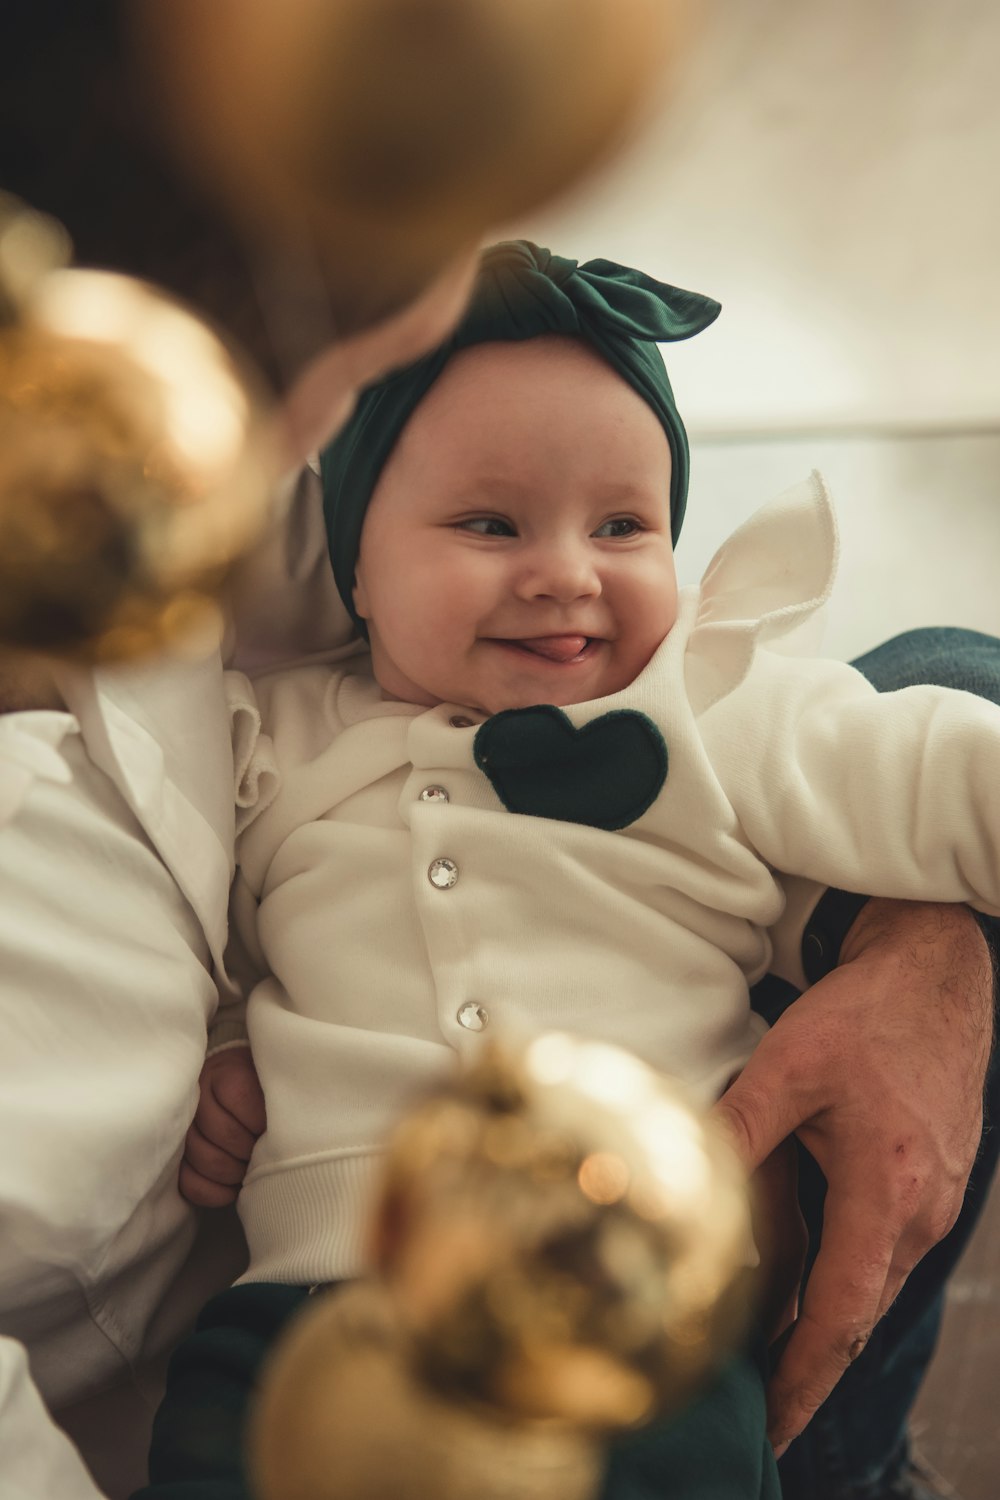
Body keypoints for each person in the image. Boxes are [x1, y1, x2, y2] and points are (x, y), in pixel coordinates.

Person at [155, 242, 1000, 1500]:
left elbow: (948, 774)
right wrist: (227, 1037)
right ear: (357, 574)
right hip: (318, 1289)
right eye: (488, 524)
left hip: (629, 1294)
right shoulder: (268, 742)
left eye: (622, 525)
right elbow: (198, 923)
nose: (566, 571)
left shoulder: (714, 709)